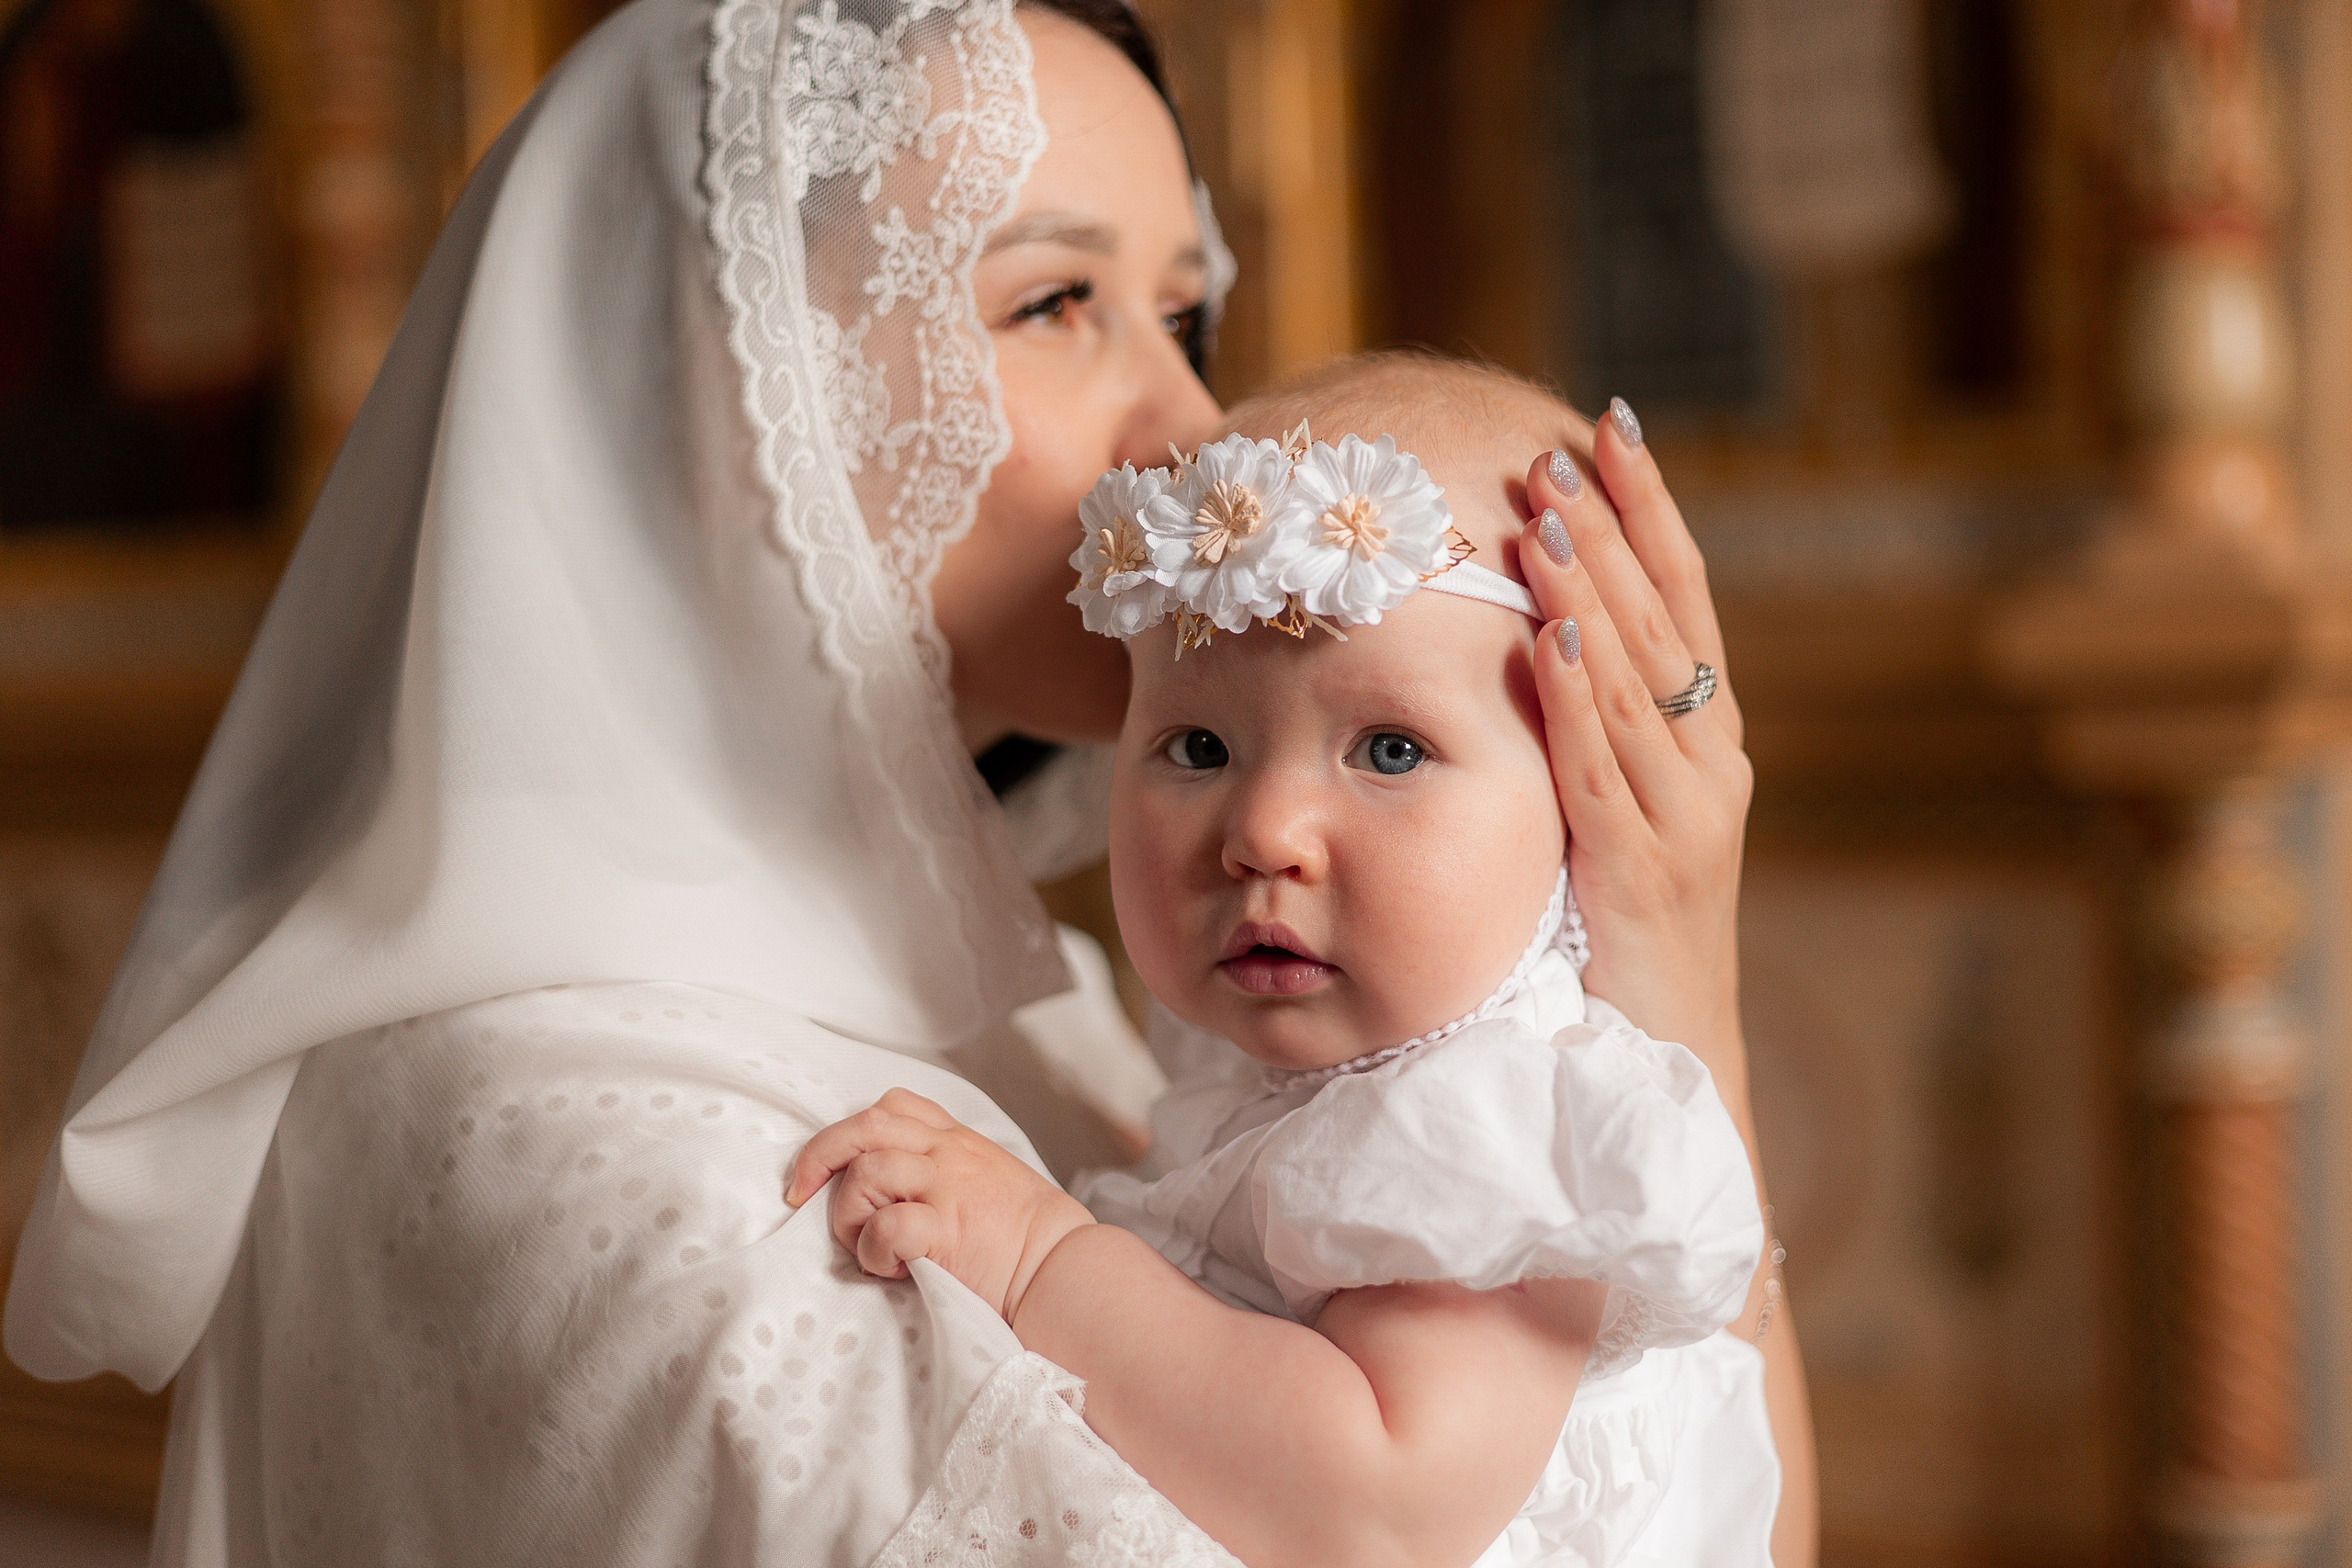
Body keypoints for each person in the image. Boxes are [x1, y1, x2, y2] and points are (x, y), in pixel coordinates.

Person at [3, 2, 1815, 1563]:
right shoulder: (578, 1135)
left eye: (1181, 314)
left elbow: (1672, 1505)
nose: (1188, 435)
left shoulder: (1083, 1029)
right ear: (730, 396)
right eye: (1055, 303)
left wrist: (1659, 970)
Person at [788, 355, 1781, 1568]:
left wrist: (1041, 1258)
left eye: (1391, 751)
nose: (1263, 830)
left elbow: (1378, 1505)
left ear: (1585, 804)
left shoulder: (1503, 1120)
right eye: (1198, 743)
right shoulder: (1286, 1073)